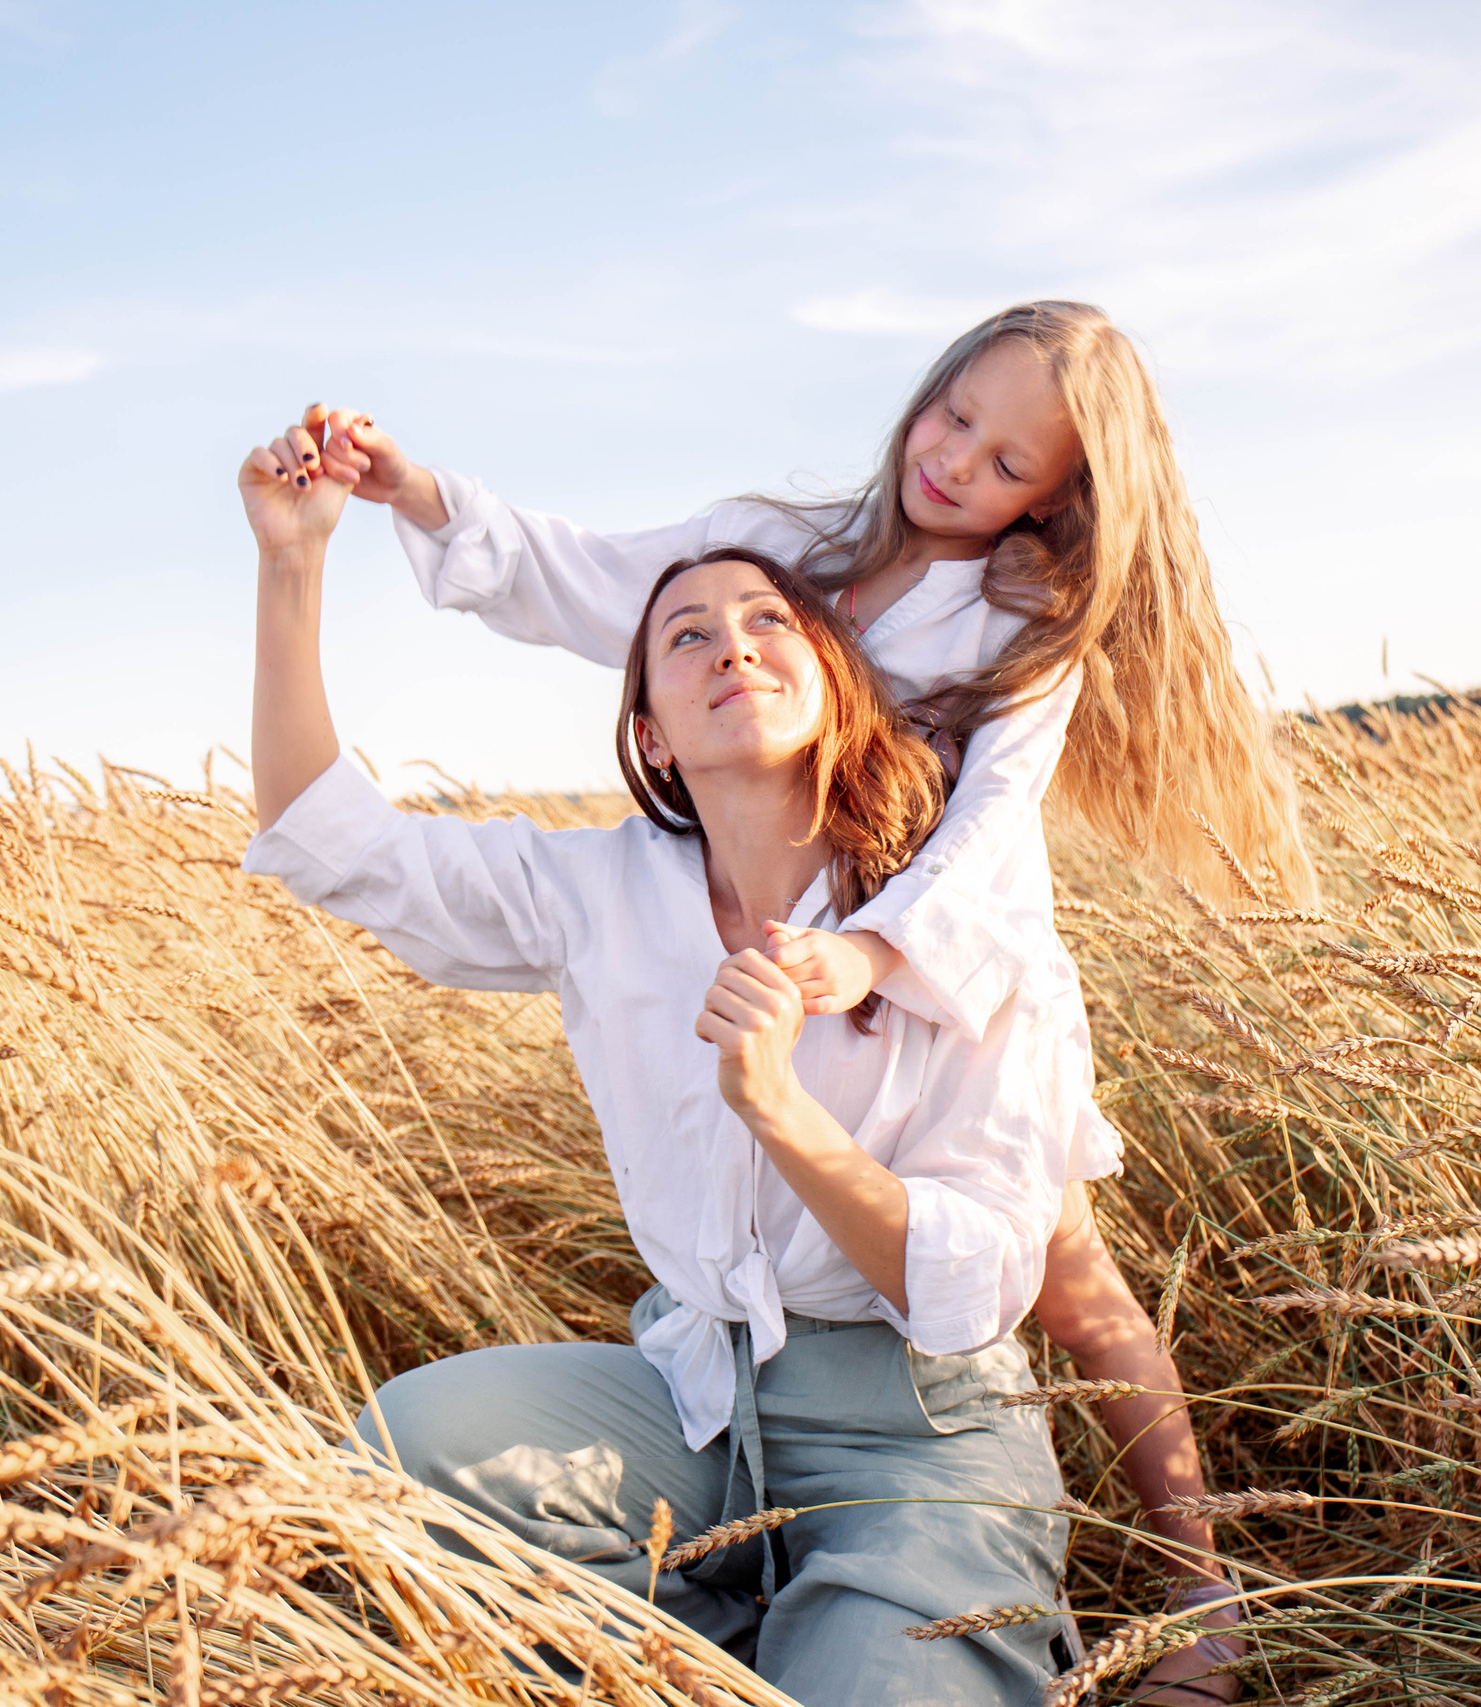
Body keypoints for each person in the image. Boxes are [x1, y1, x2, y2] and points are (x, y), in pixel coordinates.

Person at [300, 301, 1306, 1702]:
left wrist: (874, 956)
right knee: (983, 1261)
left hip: (940, 939)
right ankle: (772, 1593)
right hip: (800, 908)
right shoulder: (789, 546)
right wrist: (413, 490)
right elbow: (603, 584)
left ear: (1059, 498)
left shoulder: (1023, 623)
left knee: (1065, 1275)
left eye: (1009, 462)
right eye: (955, 414)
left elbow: (995, 828)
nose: (956, 464)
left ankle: (1198, 1588)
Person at [236, 418, 1084, 1705]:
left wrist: (784, 1114)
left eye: (768, 624)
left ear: (837, 682)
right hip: (699, 1402)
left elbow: (969, 1289)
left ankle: (901, 1624)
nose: (730, 644)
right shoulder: (597, 889)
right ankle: (744, 1617)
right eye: (686, 635)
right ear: (650, 723)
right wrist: (292, 564)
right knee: (403, 1451)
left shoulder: (949, 914)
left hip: (917, 1431)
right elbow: (326, 836)